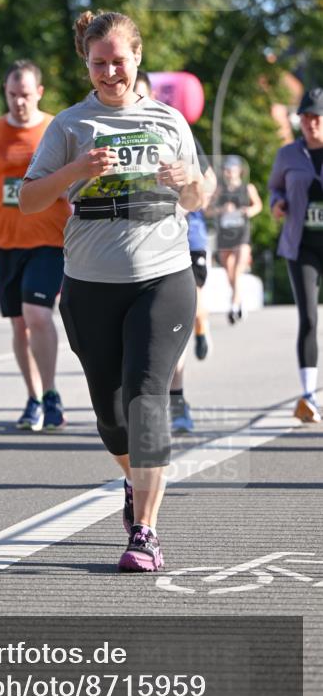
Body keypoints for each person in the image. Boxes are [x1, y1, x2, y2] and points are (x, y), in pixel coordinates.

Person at [20, 9, 203, 572]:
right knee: (111, 414)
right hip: (91, 286)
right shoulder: (70, 125)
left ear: (137, 58)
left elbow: (196, 199)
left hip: (164, 279)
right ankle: (134, 481)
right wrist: (74, 169)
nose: (109, 73)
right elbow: (27, 201)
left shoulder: (170, 121)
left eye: (118, 61)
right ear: (87, 63)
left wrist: (185, 183)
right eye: (98, 63)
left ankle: (145, 532)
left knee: (147, 399)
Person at [0, 60, 70, 431]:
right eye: (12, 95)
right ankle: (34, 397)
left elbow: (76, 178)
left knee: (38, 313)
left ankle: (52, 393)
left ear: (39, 92)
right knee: (20, 325)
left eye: (25, 95)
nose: (18, 102)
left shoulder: (57, 129)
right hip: (3, 241)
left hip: (48, 238)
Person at [134, 71, 216, 434]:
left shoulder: (173, 127)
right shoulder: (107, 134)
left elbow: (207, 181)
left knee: (176, 320)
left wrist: (185, 201)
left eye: (140, 96)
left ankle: (177, 399)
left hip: (184, 238)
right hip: (135, 245)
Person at [268, 87, 323, 423]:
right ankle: (308, 396)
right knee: (309, 319)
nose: (310, 123)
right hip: (300, 246)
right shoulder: (288, 154)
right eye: (305, 117)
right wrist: (277, 202)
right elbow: (274, 186)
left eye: (316, 117)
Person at [210, 155, 262, 323]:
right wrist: (221, 209)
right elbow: (207, 210)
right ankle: (239, 301)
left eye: (231, 169)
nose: (228, 172)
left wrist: (248, 211)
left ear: (239, 170)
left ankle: (233, 304)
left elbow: (258, 206)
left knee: (239, 267)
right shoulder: (219, 190)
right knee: (229, 270)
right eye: (226, 169)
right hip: (225, 234)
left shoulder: (248, 188)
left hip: (241, 232)